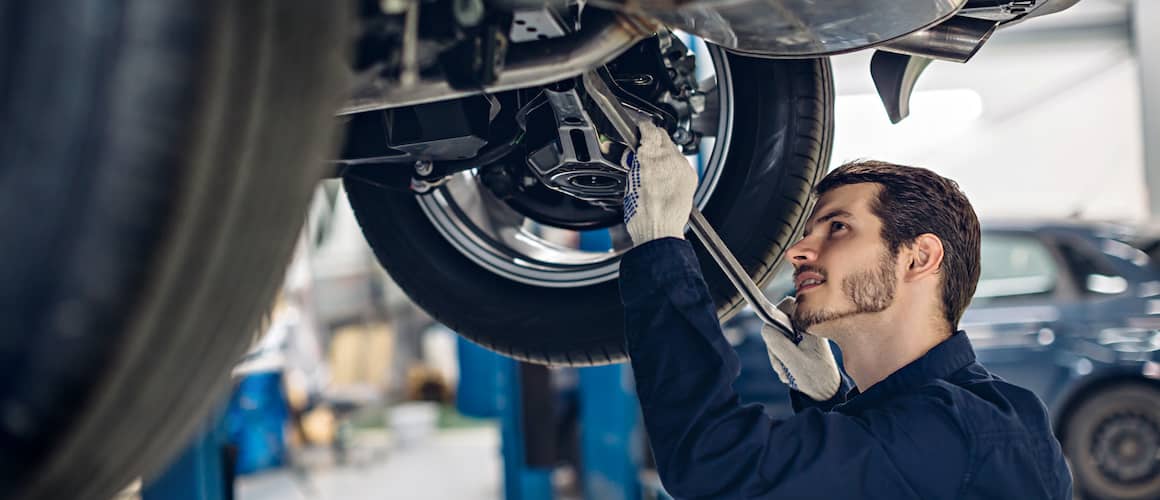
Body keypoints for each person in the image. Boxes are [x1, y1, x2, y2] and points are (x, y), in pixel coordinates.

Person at [618, 121, 1073, 499]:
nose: (797, 250)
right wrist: (829, 401)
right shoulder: (989, 413)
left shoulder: (957, 430)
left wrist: (661, 245)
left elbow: (711, 463)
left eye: (838, 227)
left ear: (919, 258)